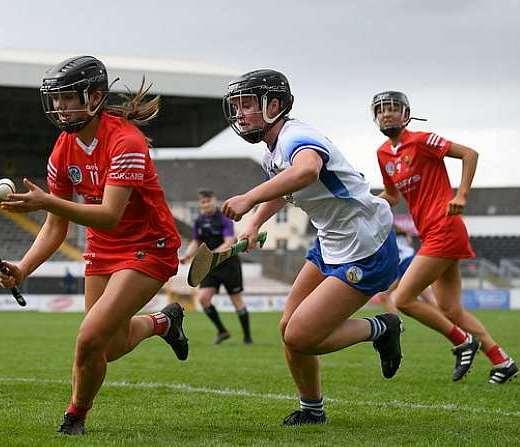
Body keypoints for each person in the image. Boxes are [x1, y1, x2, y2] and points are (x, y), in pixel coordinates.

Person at [0, 56, 188, 435]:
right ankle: (163, 323)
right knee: (108, 346)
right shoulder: (62, 150)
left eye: (69, 98)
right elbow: (55, 228)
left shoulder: (126, 142)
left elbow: (110, 214)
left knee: (88, 339)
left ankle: (75, 416)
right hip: (103, 249)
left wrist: (48, 201)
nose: (60, 107)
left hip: (149, 247)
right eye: (56, 99)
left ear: (96, 97)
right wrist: (22, 269)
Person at [220, 70, 402, 426]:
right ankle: (312, 411)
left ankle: (382, 328)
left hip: (366, 245)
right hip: (331, 240)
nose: (239, 113)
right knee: (288, 327)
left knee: (301, 336)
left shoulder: (296, 136)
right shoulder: (272, 151)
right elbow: (282, 187)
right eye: (236, 106)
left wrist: (248, 198)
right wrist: (256, 221)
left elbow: (306, 172)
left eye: (247, 105)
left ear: (274, 105)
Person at [372, 91, 517, 384]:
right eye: (381, 110)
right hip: (430, 234)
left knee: (403, 298)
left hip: (445, 228)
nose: (386, 114)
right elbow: (392, 195)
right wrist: (362, 202)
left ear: (406, 114)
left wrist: (462, 194)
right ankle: (502, 361)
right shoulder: (383, 154)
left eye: (392, 108)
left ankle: (462, 341)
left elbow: (469, 154)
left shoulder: (423, 140)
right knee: (450, 308)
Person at [180, 188, 251, 344]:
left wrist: (212, 255)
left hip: (228, 264)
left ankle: (247, 338)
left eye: (208, 201)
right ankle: (222, 331)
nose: (205, 204)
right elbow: (196, 241)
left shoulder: (224, 218)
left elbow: (229, 241)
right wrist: (187, 255)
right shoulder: (198, 221)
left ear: (214, 200)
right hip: (210, 265)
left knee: (236, 300)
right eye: (202, 202)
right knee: (204, 298)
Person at [373, 226, 436, 314]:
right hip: (407, 263)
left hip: (406, 264)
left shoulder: (384, 234)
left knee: (427, 297)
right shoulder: (393, 233)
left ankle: (450, 320)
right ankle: (397, 323)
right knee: (426, 296)